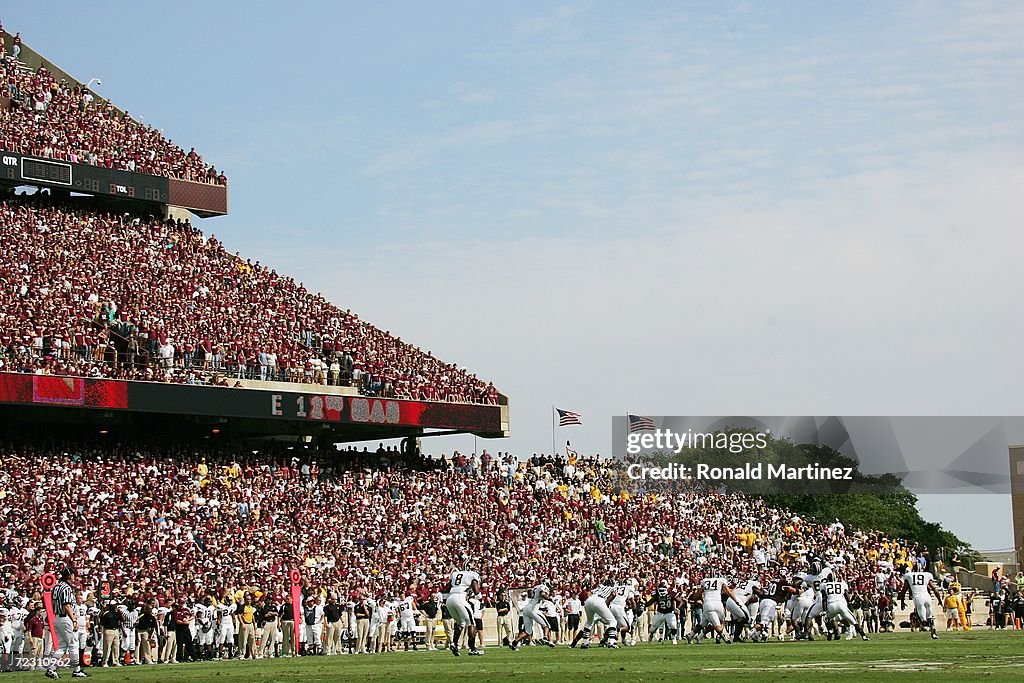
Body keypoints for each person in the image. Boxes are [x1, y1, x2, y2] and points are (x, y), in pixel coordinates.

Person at [46, 566, 88, 679]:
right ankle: (77, 670)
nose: (74, 577)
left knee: (62, 646)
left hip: (58, 618)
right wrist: (74, 619)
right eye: (73, 575)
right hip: (66, 618)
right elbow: (66, 605)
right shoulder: (66, 588)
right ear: (70, 576)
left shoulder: (56, 587)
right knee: (74, 644)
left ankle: (51, 668)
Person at [444, 563, 484, 656]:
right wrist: (481, 599)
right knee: (471, 623)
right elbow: (475, 589)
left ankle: (454, 643)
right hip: (460, 597)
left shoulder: (455, 574)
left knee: (460, 623)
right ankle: (472, 648)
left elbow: (447, 588)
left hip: (450, 598)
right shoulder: (472, 575)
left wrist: (445, 600)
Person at [898, 567, 942, 639]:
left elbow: (904, 590)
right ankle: (934, 633)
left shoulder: (909, 576)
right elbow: (934, 589)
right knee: (930, 617)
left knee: (923, 621)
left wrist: (902, 601)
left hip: (918, 597)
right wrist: (939, 600)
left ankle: (911, 625)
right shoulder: (926, 575)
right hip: (927, 596)